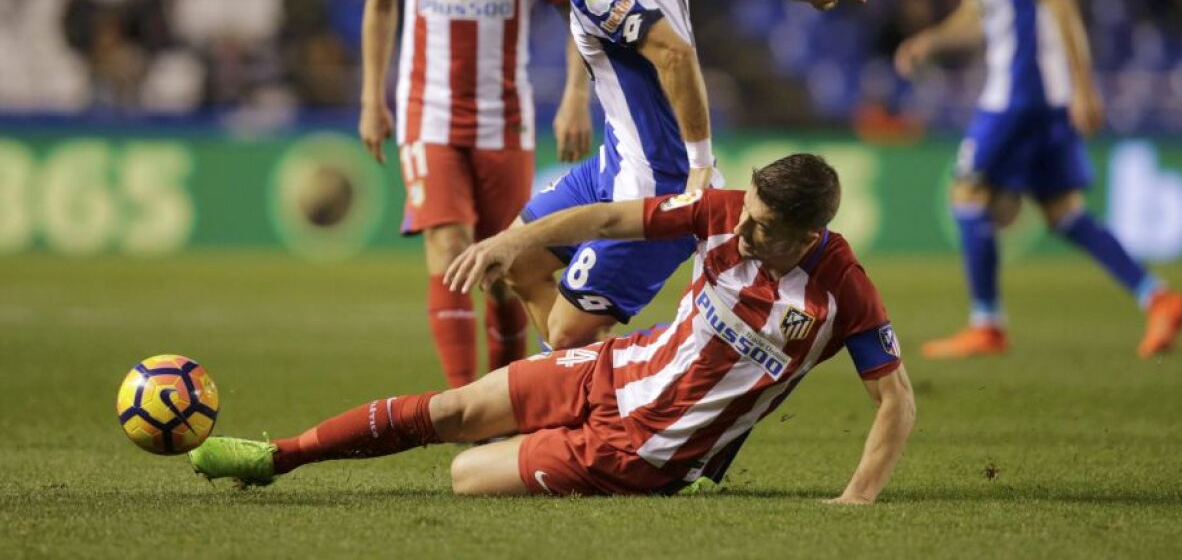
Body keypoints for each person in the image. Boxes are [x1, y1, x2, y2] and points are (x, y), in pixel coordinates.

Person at [188, 153, 916, 500]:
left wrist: (856, 497)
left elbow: (895, 399)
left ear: (807, 234)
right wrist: (514, 240)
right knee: (454, 410)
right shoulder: (723, 211)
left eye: (761, 226)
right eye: (747, 211)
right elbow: (609, 218)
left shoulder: (842, 292)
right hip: (615, 366)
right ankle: (276, 457)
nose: (743, 227)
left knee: (464, 476)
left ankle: (688, 476)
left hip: (642, 451)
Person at [478, 0, 883, 350]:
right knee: (516, 258)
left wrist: (699, 165)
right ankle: (578, 376)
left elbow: (674, 52)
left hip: (658, 183)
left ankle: (634, 370)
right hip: (614, 164)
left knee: (565, 334)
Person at [894, 0, 1182, 359]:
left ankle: (987, 323)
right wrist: (931, 40)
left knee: (967, 195)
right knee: (1062, 211)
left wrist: (1085, 86)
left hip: (1022, 88)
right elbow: (978, 13)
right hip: (1034, 89)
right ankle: (1158, 297)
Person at [358, 0, 594, 388]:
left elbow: (574, 11)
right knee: (448, 250)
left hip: (504, 120)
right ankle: (461, 406)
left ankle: (500, 401)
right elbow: (381, 2)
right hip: (427, 115)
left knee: (505, 270)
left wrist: (576, 95)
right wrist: (371, 97)